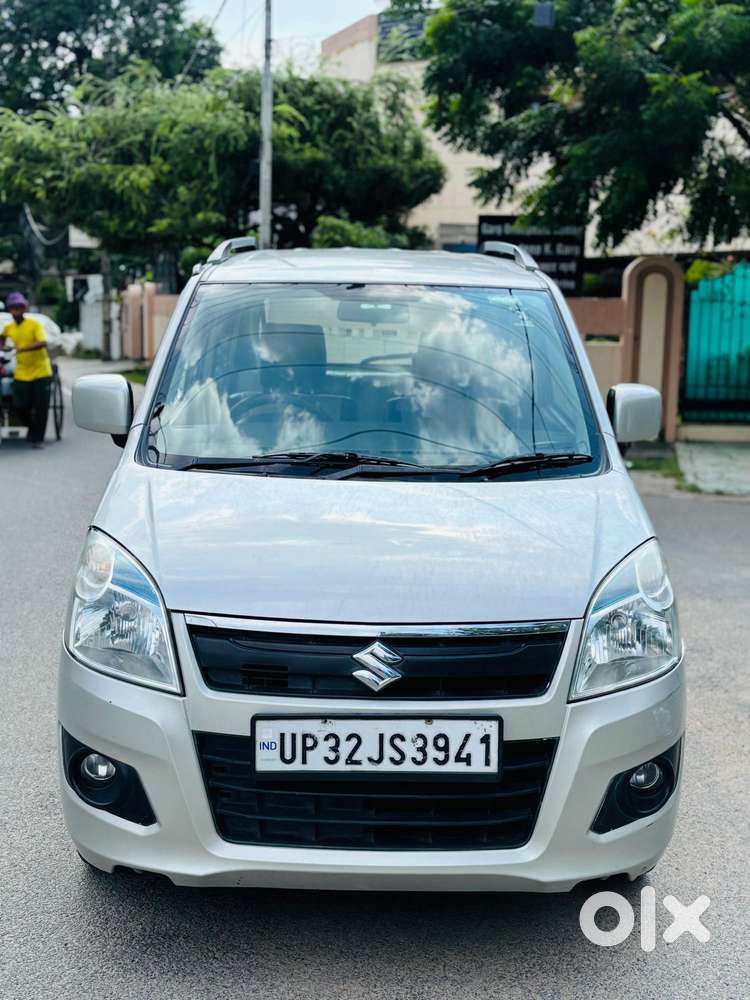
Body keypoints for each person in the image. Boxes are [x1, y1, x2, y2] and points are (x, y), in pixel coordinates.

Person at [2, 291, 52, 448]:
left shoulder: (34, 324)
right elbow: (2, 339)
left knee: (41, 407)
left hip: (41, 370)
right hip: (22, 371)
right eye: (13, 308)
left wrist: (22, 349)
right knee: (19, 405)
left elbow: (43, 342)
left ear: (24, 308)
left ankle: (38, 439)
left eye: (18, 308)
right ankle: (32, 428)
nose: (15, 311)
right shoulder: (8, 327)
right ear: (10, 310)